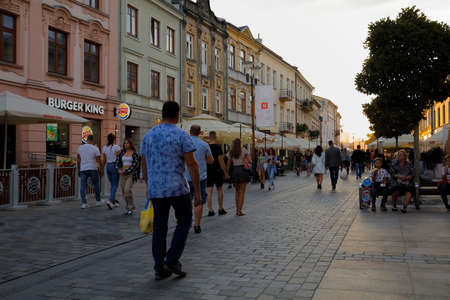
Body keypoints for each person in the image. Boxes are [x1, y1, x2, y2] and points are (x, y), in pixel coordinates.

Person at [140, 101, 201, 280]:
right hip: (177, 187)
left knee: (159, 226)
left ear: (163, 113)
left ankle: (159, 267)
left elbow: (144, 162)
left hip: (156, 189)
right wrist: (197, 191)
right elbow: (191, 163)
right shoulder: (181, 134)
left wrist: (147, 184)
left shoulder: (149, 135)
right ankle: (172, 258)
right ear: (177, 115)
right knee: (184, 220)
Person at [186, 125, 214, 234]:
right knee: (199, 201)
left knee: (186, 202)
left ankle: (186, 223)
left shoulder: (185, 143)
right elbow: (211, 161)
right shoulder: (204, 145)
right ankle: (197, 225)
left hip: (186, 178)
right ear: (200, 132)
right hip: (200, 177)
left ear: (190, 132)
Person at [226, 138, 251, 216]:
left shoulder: (231, 152)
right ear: (240, 143)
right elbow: (250, 161)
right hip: (242, 171)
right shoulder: (244, 150)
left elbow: (228, 164)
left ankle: (237, 209)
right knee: (242, 192)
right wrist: (245, 161)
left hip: (235, 171)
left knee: (237, 192)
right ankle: (239, 211)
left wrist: (226, 173)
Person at [77, 135, 103, 209]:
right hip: (92, 168)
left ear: (87, 140)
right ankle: (98, 201)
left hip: (83, 169)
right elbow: (98, 160)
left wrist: (79, 169)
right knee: (96, 185)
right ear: (92, 140)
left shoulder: (80, 148)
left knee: (82, 186)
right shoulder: (95, 148)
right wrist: (100, 169)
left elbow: (78, 160)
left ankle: (84, 203)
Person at [116, 138, 140, 216]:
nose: (126, 144)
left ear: (130, 144)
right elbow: (117, 161)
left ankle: (130, 207)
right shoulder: (122, 152)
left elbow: (135, 165)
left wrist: (126, 171)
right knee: (124, 192)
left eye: (127, 143)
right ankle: (129, 207)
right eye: (125, 143)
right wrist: (118, 169)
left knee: (127, 190)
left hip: (131, 174)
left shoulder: (134, 153)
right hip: (122, 174)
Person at [206, 131, 228, 216]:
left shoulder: (206, 146)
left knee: (209, 190)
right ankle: (220, 208)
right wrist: (225, 172)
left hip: (209, 170)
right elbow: (221, 160)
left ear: (209, 137)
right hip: (217, 170)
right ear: (215, 137)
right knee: (219, 189)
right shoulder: (218, 147)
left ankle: (210, 210)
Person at [102, 133, 121, 209]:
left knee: (112, 184)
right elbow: (120, 157)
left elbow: (104, 159)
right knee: (115, 185)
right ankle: (110, 200)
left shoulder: (104, 148)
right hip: (114, 165)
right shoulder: (116, 147)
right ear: (114, 139)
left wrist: (102, 168)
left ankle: (113, 201)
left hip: (108, 166)